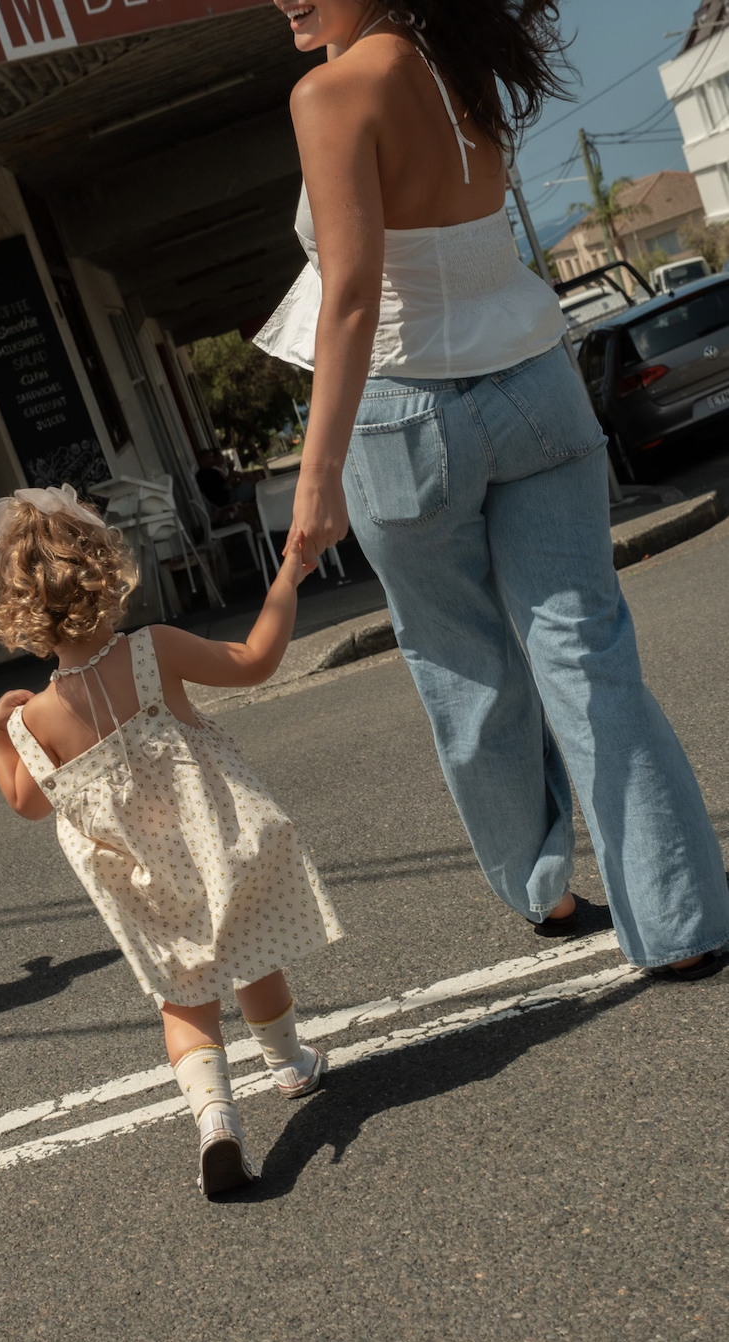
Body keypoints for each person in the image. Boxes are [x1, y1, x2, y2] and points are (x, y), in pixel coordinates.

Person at [255, 0, 729, 975]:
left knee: (465, 668)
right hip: (535, 386)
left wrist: (314, 478)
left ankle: (542, 886)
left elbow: (350, 293)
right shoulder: (465, 68)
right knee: (589, 654)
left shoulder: (331, 93)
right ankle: (682, 924)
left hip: (402, 416)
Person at [0, 484, 343, 1195]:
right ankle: (290, 1063)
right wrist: (287, 575)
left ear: (20, 608)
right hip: (212, 848)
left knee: (184, 1002)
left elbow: (26, 803)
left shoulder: (36, 720)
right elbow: (256, 659)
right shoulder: (154, 651)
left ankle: (215, 1121)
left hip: (138, 880)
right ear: (104, 572)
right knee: (250, 951)